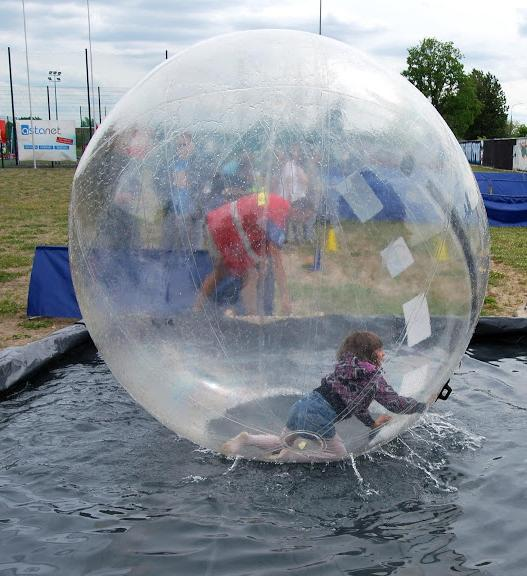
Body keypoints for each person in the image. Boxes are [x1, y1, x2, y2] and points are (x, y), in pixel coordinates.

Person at [222, 331, 429, 462]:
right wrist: (422, 405)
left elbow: (356, 405)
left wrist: (372, 424)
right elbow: (394, 402)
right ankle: (292, 455)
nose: (384, 354)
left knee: (282, 440)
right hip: (319, 415)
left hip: (303, 404)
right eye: (380, 350)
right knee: (337, 455)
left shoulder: (345, 368)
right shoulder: (372, 377)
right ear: (371, 354)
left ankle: (246, 439)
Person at [195, 189, 292, 316]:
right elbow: (276, 258)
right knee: (251, 274)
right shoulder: (280, 212)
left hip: (220, 221)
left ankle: (197, 308)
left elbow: (261, 230)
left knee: (223, 271)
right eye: (307, 216)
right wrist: (285, 296)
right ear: (302, 212)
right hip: (227, 227)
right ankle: (252, 315)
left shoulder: (276, 202)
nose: (307, 220)